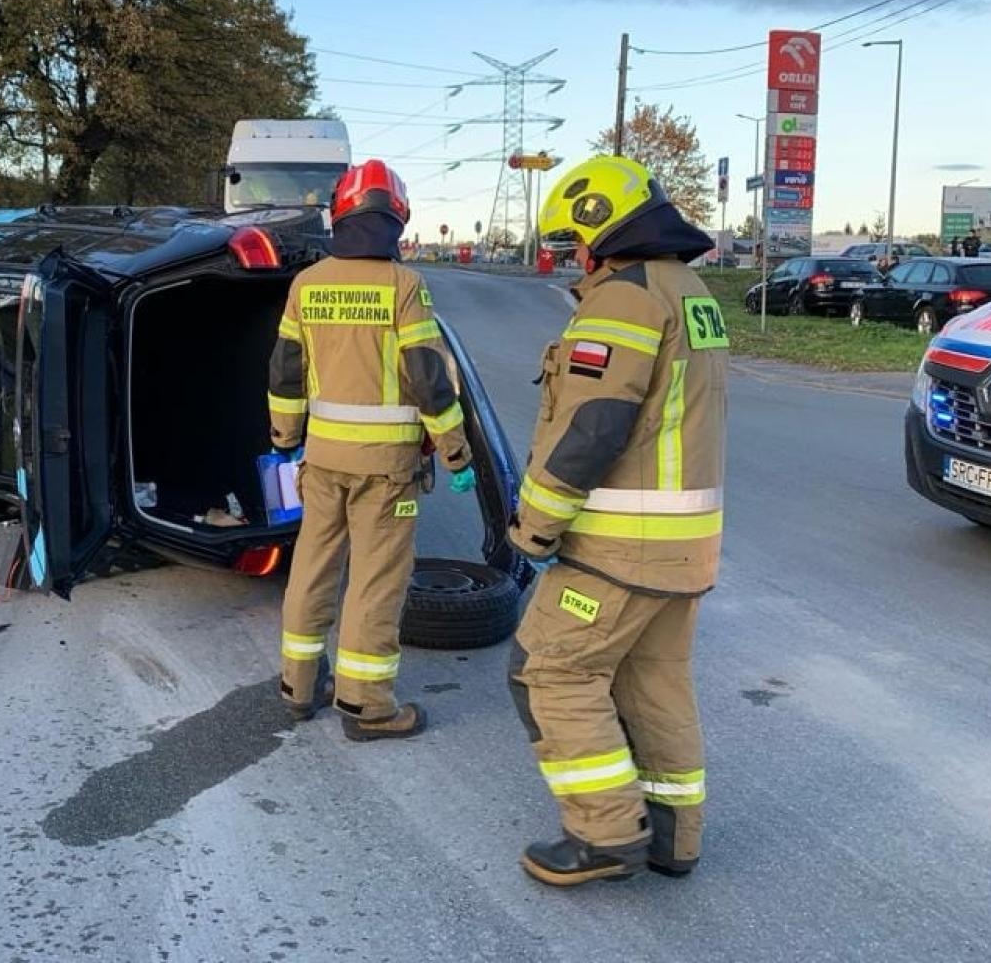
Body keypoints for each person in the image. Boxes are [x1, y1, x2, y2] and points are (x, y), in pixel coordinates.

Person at [505, 154, 728, 887]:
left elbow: (593, 426)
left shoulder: (623, 301)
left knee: (549, 670)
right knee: (654, 682)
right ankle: (672, 837)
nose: (574, 256)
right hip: (682, 546)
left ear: (600, 227)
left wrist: (535, 524)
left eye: (574, 240)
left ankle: (605, 833)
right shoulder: (689, 291)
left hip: (619, 546)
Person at [268, 159, 475, 741]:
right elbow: (428, 378)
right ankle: (366, 707)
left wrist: (285, 439)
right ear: (397, 218)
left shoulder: (307, 285)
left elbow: (284, 373)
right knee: (375, 581)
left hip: (322, 460)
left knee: (312, 568)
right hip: (386, 469)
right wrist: (456, 453)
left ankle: (298, 686)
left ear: (339, 215)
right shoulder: (404, 287)